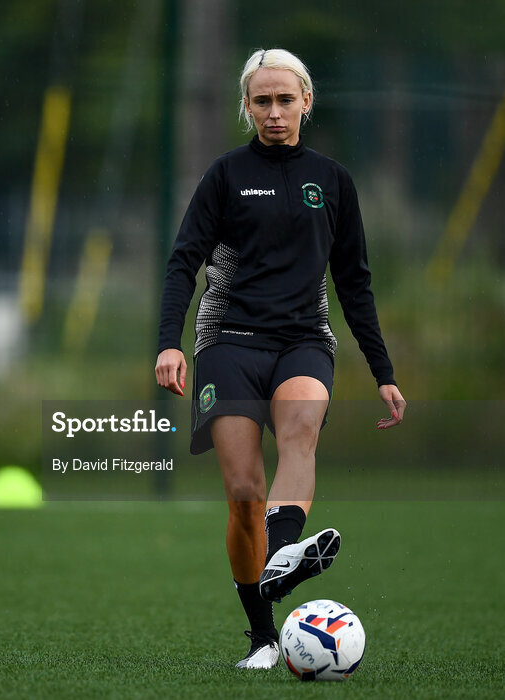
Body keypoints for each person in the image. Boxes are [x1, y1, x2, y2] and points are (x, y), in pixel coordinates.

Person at [155, 47, 405, 670]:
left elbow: (355, 282)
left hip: (303, 341)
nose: (274, 112)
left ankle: (282, 556)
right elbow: (184, 260)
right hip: (228, 342)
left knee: (300, 432)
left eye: (285, 100)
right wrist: (167, 340)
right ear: (246, 106)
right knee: (244, 493)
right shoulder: (226, 175)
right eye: (261, 101)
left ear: (306, 102)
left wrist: (383, 372)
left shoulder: (334, 180)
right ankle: (264, 637)